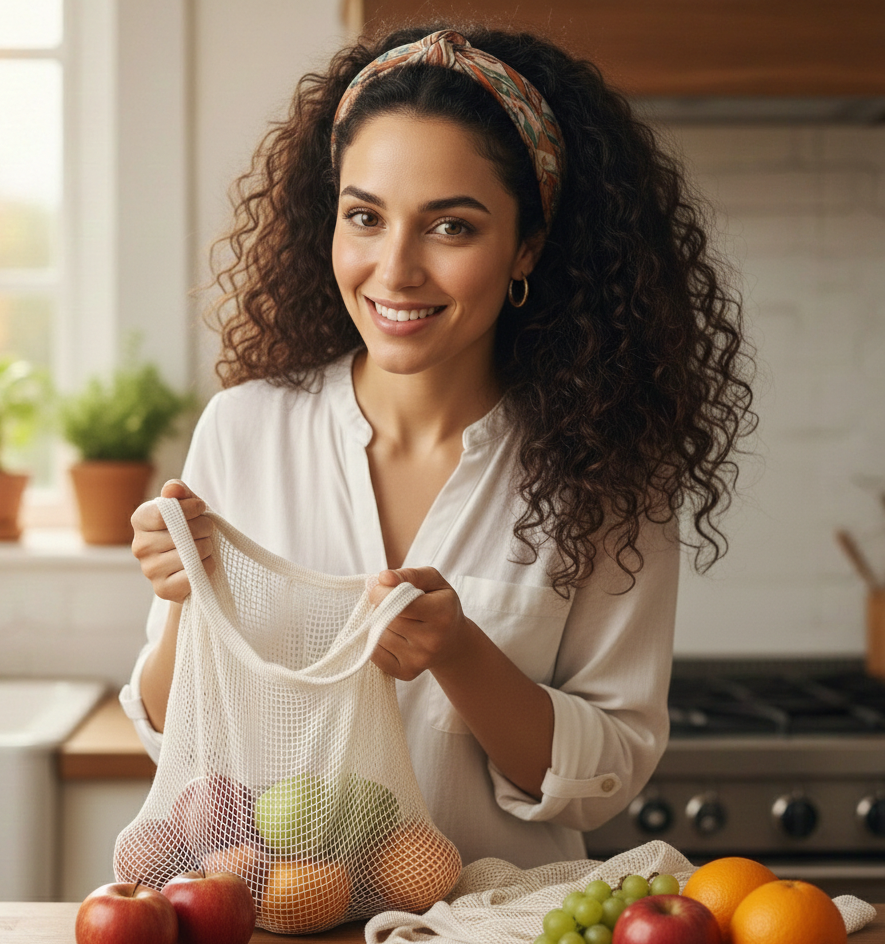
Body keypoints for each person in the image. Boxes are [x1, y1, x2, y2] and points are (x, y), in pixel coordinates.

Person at [119, 25, 755, 869]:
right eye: (364, 217)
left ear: (527, 246)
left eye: (450, 227)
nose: (395, 269)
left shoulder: (608, 470)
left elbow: (609, 770)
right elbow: (171, 734)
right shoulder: (243, 430)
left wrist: (461, 655)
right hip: (270, 918)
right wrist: (193, 604)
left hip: (495, 923)